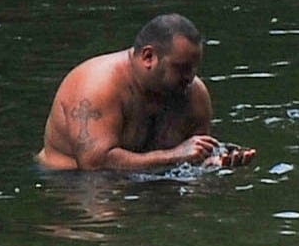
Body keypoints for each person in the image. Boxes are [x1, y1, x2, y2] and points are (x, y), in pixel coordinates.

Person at [38, 13, 256, 172]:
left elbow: (192, 164)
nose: (190, 77)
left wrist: (214, 165)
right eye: (181, 68)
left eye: (194, 67)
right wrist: (173, 156)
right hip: (71, 183)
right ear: (148, 57)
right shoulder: (98, 85)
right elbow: (94, 164)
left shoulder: (195, 95)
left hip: (151, 183)